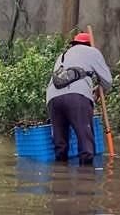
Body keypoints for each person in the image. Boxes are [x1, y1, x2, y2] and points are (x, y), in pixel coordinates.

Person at [46, 32, 112, 164]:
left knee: (60, 145)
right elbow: (107, 81)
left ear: (73, 44)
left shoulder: (62, 56)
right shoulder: (92, 52)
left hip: (52, 98)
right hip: (77, 97)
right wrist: (98, 93)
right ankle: (86, 179)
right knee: (85, 142)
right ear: (88, 44)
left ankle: (59, 176)